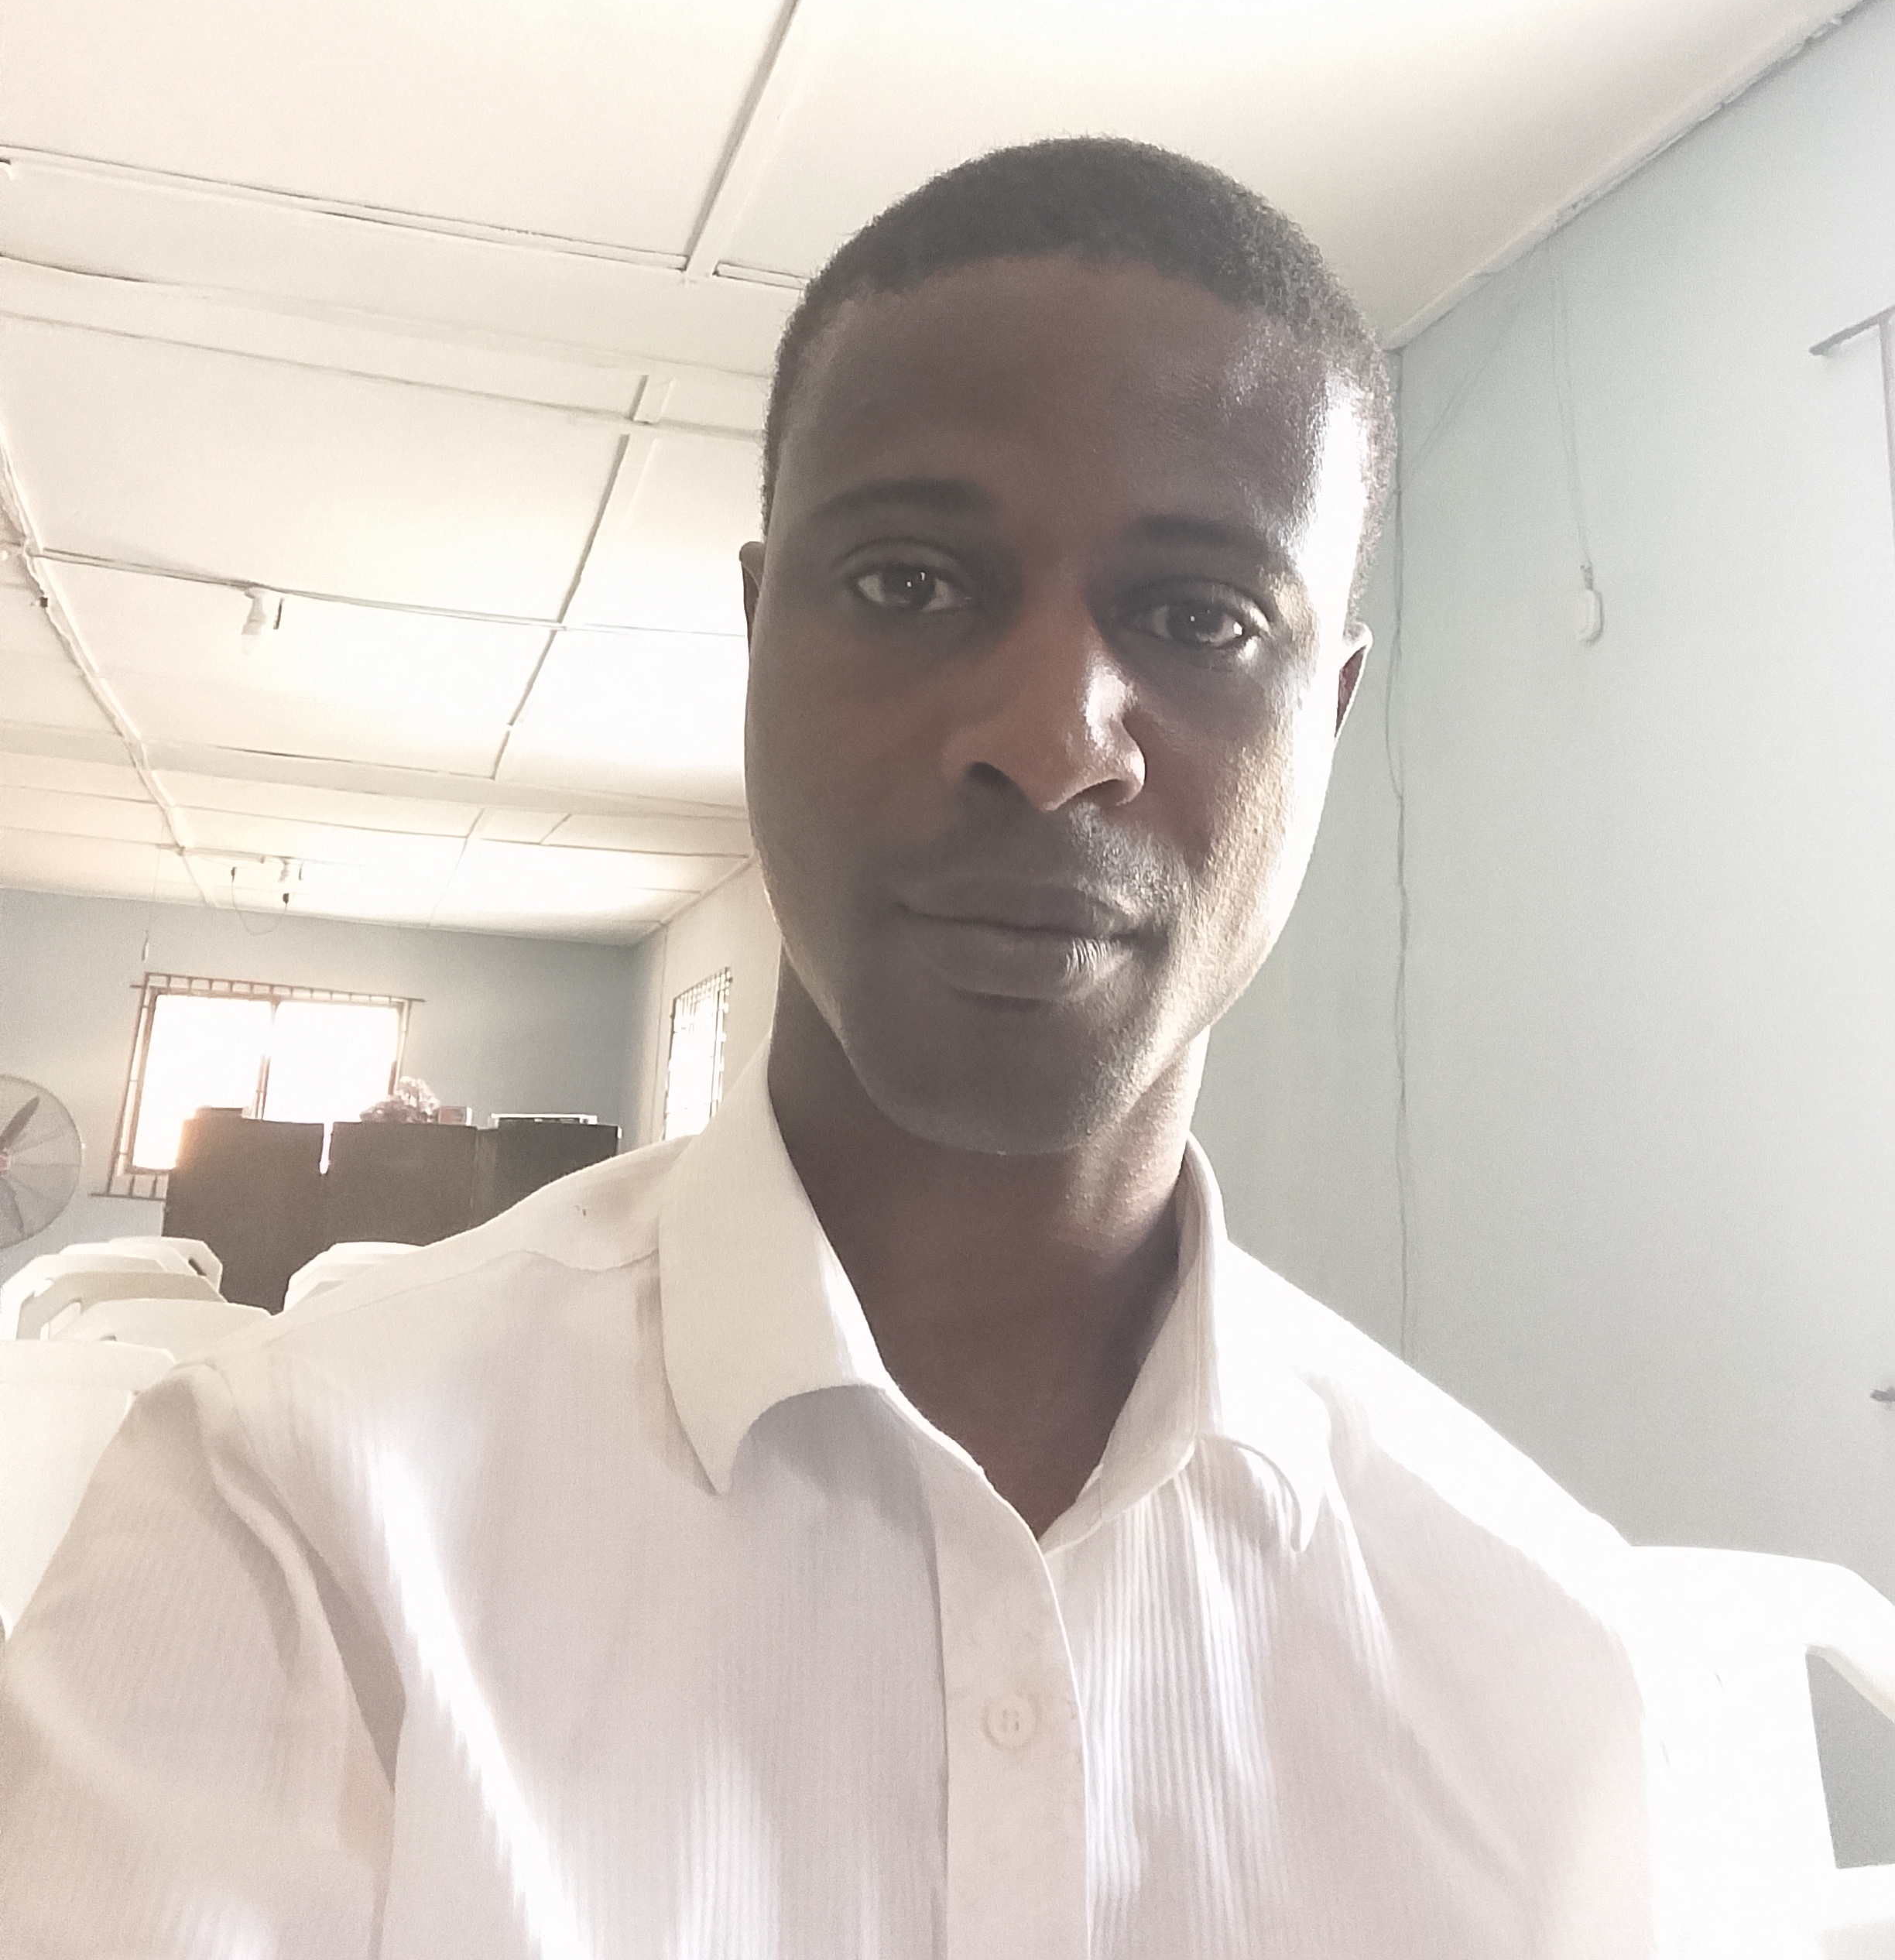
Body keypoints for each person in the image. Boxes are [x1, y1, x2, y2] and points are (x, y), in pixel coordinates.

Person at [0, 138, 1664, 1957]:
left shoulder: (1540, 1646)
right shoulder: (291, 1517)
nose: (1051, 738)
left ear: (1327, 718)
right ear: (757, 634)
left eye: (1201, 618)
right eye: (909, 584)